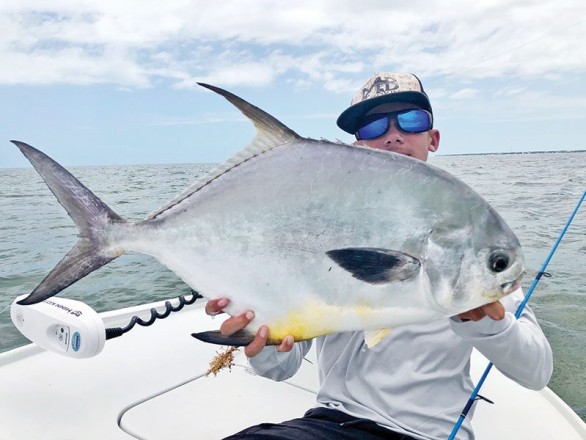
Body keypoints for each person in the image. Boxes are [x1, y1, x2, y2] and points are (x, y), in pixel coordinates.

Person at [205, 73, 553, 440]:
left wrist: (489, 322)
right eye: (373, 126)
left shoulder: (468, 233)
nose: (393, 135)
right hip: (326, 423)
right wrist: (257, 339)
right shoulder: (324, 221)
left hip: (425, 433)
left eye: (411, 120)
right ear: (356, 145)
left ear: (432, 138)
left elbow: (536, 370)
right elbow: (281, 367)